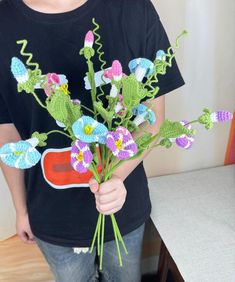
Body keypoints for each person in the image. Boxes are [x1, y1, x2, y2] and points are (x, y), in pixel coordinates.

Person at [0, 0, 185, 281]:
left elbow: (152, 118)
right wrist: (21, 208)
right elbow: (7, 132)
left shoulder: (133, 8)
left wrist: (116, 178)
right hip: (52, 218)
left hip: (123, 207)